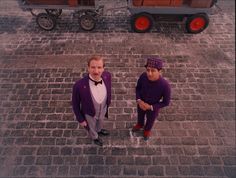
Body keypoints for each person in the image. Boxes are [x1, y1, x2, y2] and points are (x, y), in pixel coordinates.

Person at [72, 56, 111, 146]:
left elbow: (109, 89)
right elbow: (75, 104)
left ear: (103, 68)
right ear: (88, 68)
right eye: (93, 67)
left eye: (99, 67)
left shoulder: (107, 76)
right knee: (91, 127)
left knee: (101, 121)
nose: (96, 71)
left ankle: (99, 130)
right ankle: (95, 136)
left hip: (103, 108)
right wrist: (81, 119)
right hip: (89, 113)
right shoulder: (79, 86)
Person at [132, 57, 171, 141]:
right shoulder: (143, 76)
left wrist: (151, 107)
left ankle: (147, 130)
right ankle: (140, 124)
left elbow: (166, 102)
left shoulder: (165, 85)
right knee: (140, 116)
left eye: (153, 71)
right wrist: (139, 100)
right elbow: (138, 88)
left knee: (150, 120)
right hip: (141, 103)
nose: (149, 73)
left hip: (153, 108)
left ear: (159, 71)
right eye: (148, 70)